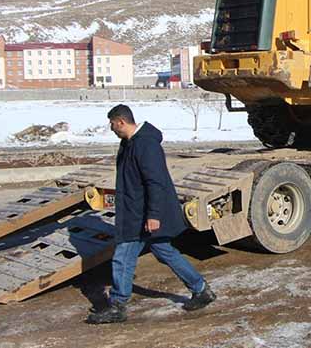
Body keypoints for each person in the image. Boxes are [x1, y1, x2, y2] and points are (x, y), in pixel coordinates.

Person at [87, 104, 216, 324]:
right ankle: (201, 290)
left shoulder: (145, 144)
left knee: (123, 257)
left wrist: (153, 215)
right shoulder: (129, 144)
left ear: (121, 122)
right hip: (136, 212)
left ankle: (118, 305)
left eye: (112, 124)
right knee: (165, 251)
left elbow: (155, 182)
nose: (110, 128)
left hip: (143, 215)